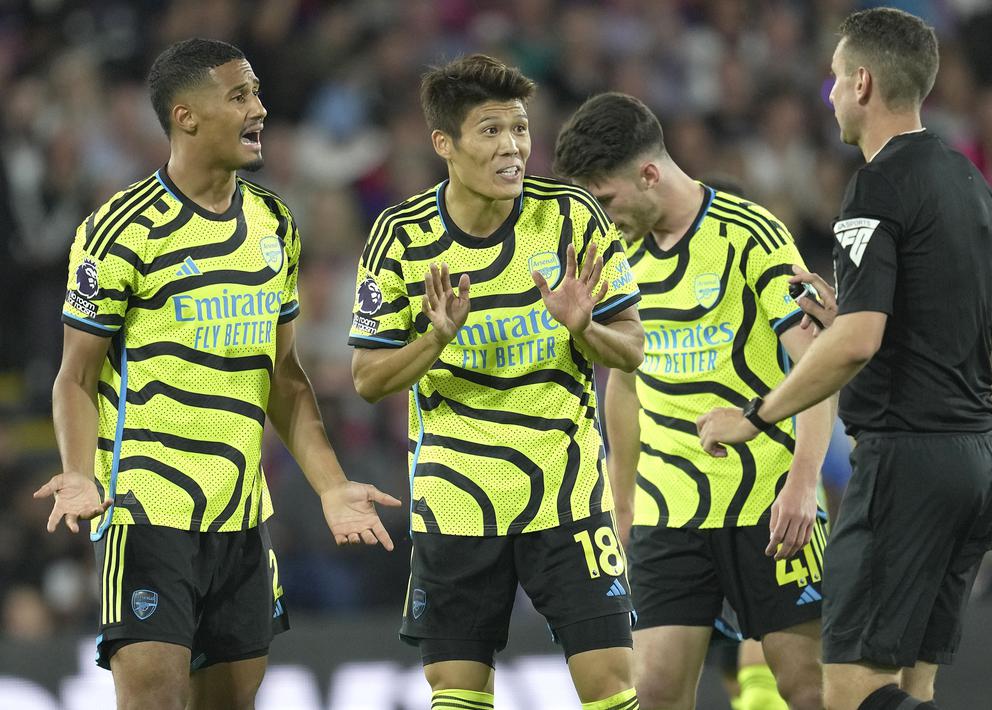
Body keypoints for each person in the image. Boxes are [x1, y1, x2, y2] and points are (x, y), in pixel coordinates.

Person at [36, 38, 399, 710]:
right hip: (143, 510)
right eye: (239, 95)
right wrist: (81, 471)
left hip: (240, 518)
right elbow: (75, 377)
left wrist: (331, 486)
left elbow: (285, 378)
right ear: (186, 116)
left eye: (256, 93)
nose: (259, 108)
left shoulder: (274, 224)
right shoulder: (121, 230)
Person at [697, 8, 992, 710]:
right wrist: (854, 311)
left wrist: (756, 416)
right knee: (910, 684)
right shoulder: (968, 181)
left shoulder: (875, 185)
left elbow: (856, 343)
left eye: (833, 79)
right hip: (977, 462)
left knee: (845, 690)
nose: (827, 94)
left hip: (908, 462)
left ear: (863, 82)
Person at [348, 55, 644, 710]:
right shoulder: (400, 237)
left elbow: (632, 349)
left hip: (565, 495)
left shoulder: (570, 216)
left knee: (612, 686)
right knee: (456, 692)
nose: (512, 147)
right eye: (490, 131)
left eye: (519, 129)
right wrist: (436, 338)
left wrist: (582, 328)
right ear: (443, 144)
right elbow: (367, 379)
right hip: (455, 500)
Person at [554, 92, 835, 710]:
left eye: (605, 199)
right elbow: (622, 384)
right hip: (667, 510)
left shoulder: (750, 235)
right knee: (653, 693)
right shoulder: (614, 258)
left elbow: (819, 363)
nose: (601, 217)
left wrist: (804, 482)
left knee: (806, 688)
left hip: (767, 499)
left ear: (649, 172)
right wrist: (622, 502)